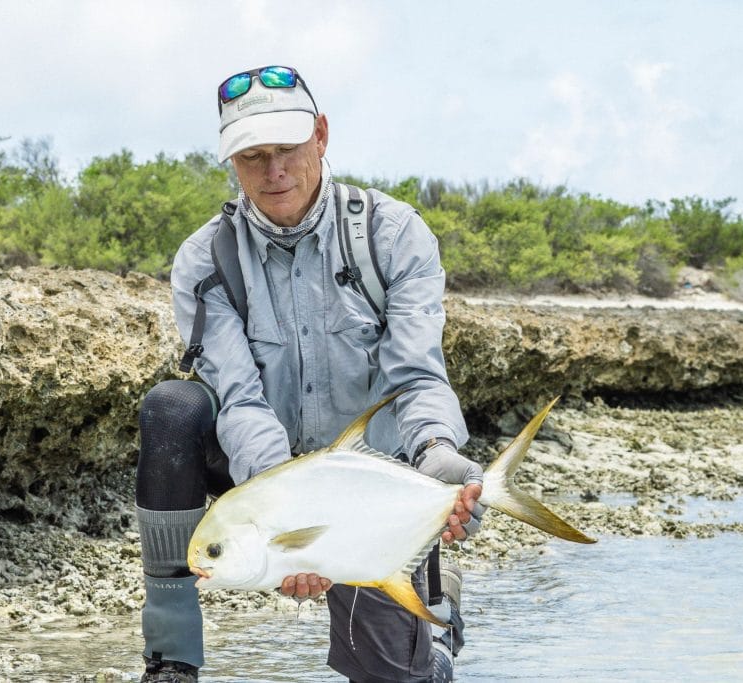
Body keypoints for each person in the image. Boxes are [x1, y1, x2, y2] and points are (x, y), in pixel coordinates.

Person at [135, 64, 485, 683]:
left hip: (370, 478)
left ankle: (437, 609)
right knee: (172, 407)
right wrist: (282, 517)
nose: (273, 172)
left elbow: (416, 375)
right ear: (231, 162)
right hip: (262, 472)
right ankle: (172, 658)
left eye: (288, 149)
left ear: (321, 135)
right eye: (252, 156)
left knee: (404, 677)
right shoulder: (204, 259)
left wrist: (437, 455)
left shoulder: (394, 234)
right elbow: (239, 400)